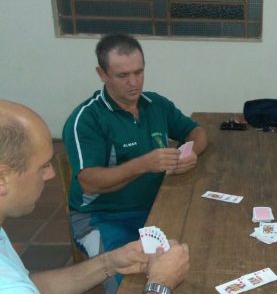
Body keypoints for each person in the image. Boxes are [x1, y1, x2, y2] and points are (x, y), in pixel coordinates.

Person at [0, 100, 190, 294]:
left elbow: (29, 288)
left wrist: (109, 262)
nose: (51, 175)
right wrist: (159, 285)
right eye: (43, 165)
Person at [63, 33, 207, 270]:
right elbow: (89, 182)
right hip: (102, 217)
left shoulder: (155, 104)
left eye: (138, 72)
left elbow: (196, 131)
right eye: (122, 75)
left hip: (157, 205)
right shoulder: (87, 119)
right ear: (102, 74)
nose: (134, 82)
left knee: (200, 253)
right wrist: (144, 164)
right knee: (126, 277)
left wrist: (191, 153)